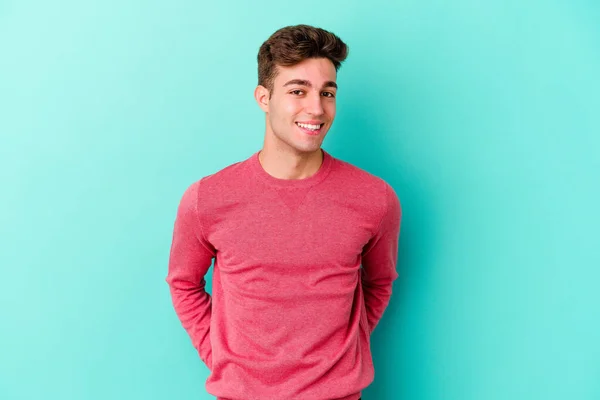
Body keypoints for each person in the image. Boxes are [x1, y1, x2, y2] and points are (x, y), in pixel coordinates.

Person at [166, 24, 402, 400]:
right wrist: (221, 355)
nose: (316, 108)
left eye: (327, 93)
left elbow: (379, 283)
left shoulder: (375, 199)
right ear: (264, 97)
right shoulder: (207, 198)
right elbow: (183, 282)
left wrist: (343, 354)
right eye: (298, 91)